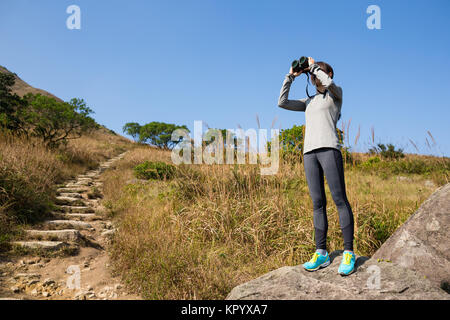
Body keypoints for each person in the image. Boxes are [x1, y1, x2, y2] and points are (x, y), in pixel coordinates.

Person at [277, 57, 356, 276]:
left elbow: (328, 84)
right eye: (312, 75)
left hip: (329, 149)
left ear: (328, 74)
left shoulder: (335, 94)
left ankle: (348, 251)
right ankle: (321, 252)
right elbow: (282, 102)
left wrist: (314, 66)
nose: (313, 77)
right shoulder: (307, 102)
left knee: (339, 200)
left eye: (317, 73)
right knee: (317, 203)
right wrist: (290, 77)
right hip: (309, 153)